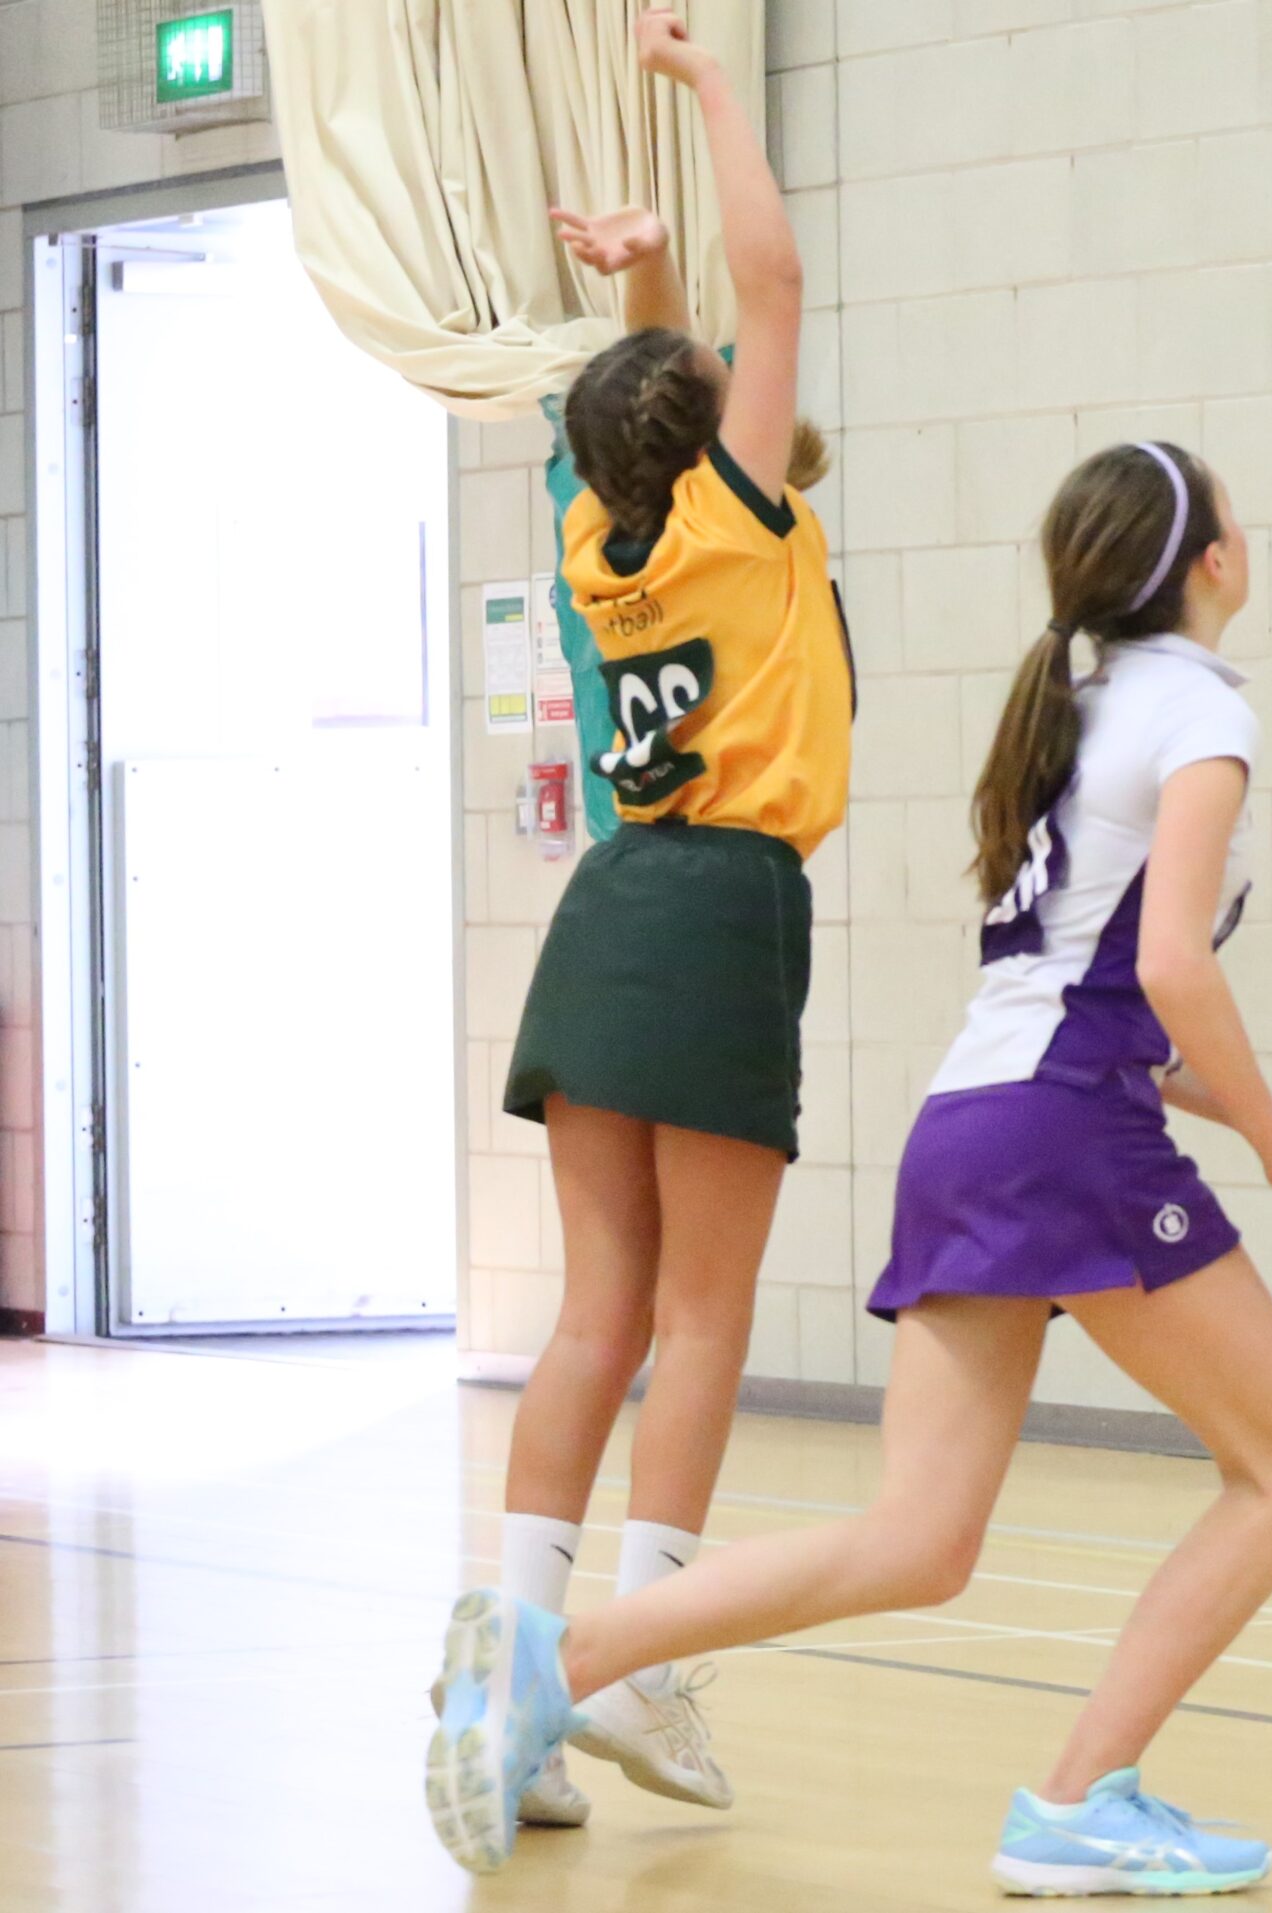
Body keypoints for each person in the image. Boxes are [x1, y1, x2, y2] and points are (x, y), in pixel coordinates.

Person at [424, 437, 1272, 1890]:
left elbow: (1089, 986)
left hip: (975, 1123)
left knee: (918, 1541)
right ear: (1210, 562)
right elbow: (1172, 968)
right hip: (1065, 1133)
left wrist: (1261, 1115)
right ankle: (1079, 1799)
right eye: (1239, 516)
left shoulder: (1077, 703)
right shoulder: (1198, 711)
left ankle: (561, 1658)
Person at [438, 8, 849, 1833]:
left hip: (604, 915)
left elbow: (648, 400)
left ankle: (521, 1678)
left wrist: (643, 281)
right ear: (708, 434)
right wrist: (707, 89)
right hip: (722, 904)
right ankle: (641, 1656)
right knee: (703, 1314)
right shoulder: (738, 520)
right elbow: (777, 287)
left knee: (593, 1315)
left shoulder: (595, 540)